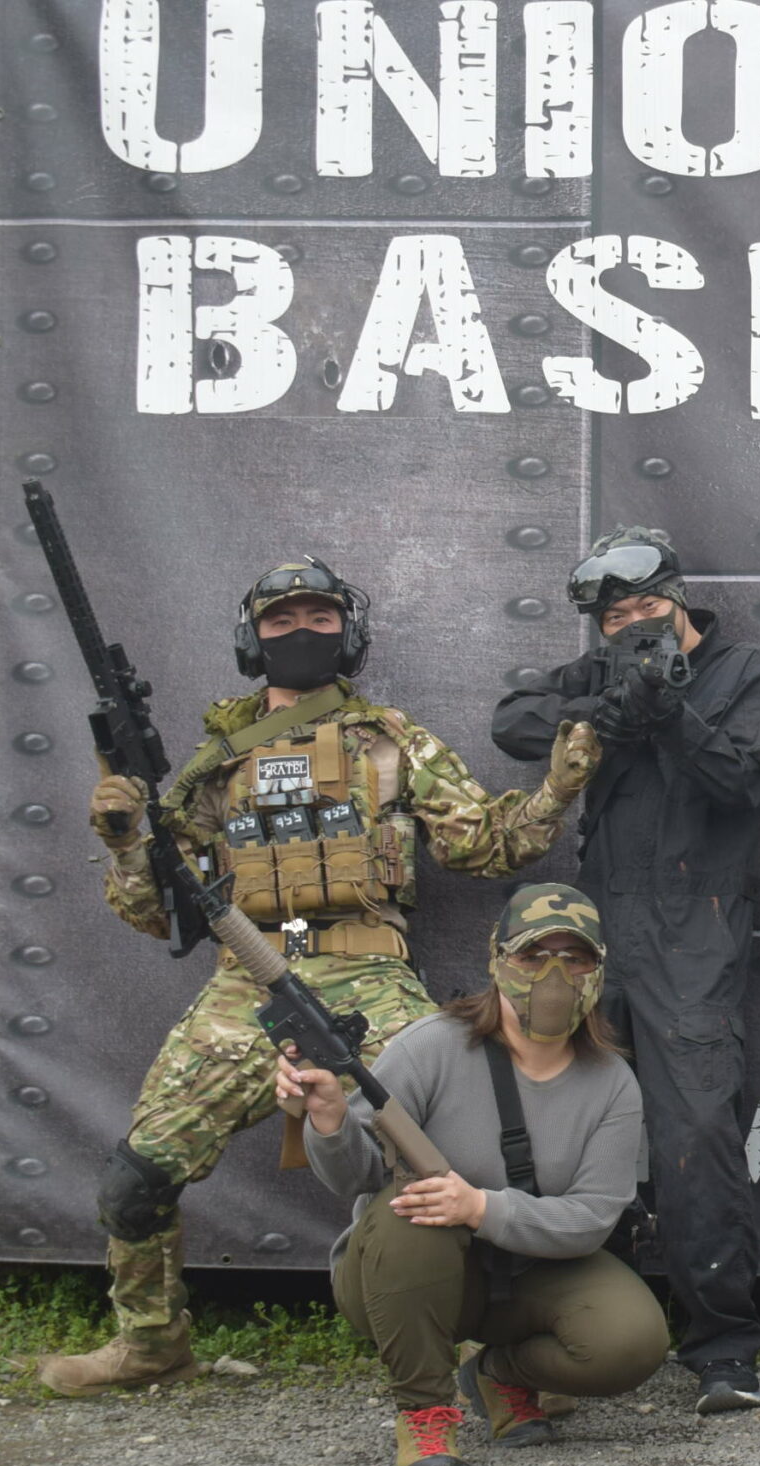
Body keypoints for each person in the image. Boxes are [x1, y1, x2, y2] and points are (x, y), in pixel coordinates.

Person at [37, 559, 598, 1397]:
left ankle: (496, 1350)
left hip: (369, 973)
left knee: (458, 1156)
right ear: (251, 639)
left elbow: (486, 844)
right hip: (248, 980)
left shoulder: (390, 740)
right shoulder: (215, 769)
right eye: (281, 620)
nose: (301, 631)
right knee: (136, 1176)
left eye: (320, 617)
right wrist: (124, 840)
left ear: (349, 632)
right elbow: (159, 912)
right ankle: (151, 1343)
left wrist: (556, 789)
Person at [492, 527, 760, 1414]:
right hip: (596, 926)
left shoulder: (749, 672)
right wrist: (609, 710)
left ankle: (724, 1346)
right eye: (616, 615)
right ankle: (549, 1335)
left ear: (680, 594)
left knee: (696, 1128)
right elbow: (512, 720)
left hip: (694, 922)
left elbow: (747, 780)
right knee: (559, 1121)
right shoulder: (598, 671)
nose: (634, 623)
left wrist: (669, 713)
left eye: (648, 605)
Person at [279, 885, 664, 1466]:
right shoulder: (431, 1045)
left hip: (527, 1276)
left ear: (598, 971)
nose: (554, 976)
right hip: (400, 1275)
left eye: (575, 958)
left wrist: (480, 1207)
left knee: (631, 1340)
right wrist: (328, 1120)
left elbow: (591, 1219)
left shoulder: (612, 1081)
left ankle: (498, 1376)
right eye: (532, 956)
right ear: (498, 961)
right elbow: (357, 1176)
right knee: (416, 1207)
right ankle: (424, 1413)